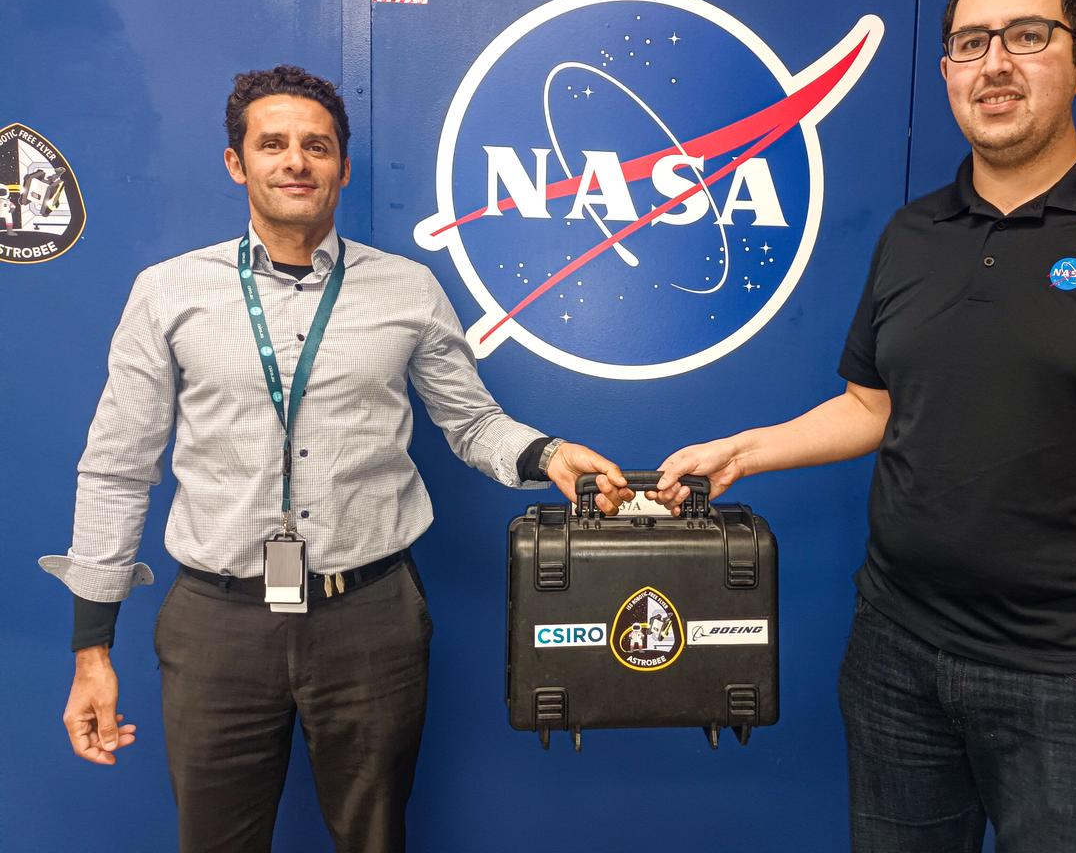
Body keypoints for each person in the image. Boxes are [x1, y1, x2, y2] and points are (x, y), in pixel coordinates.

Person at [651, 0, 1076, 852]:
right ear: (947, 69)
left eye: (1029, 37)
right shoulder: (915, 233)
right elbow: (873, 407)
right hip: (896, 658)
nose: (995, 65)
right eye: (971, 43)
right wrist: (742, 451)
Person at [39, 64, 633, 853]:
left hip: (370, 622)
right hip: (218, 625)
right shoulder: (167, 292)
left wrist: (548, 453)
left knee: (374, 838)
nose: (295, 162)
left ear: (342, 168)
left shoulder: (408, 290)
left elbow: (472, 422)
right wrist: (92, 648)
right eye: (273, 144)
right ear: (236, 162)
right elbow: (117, 467)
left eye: (316, 146)